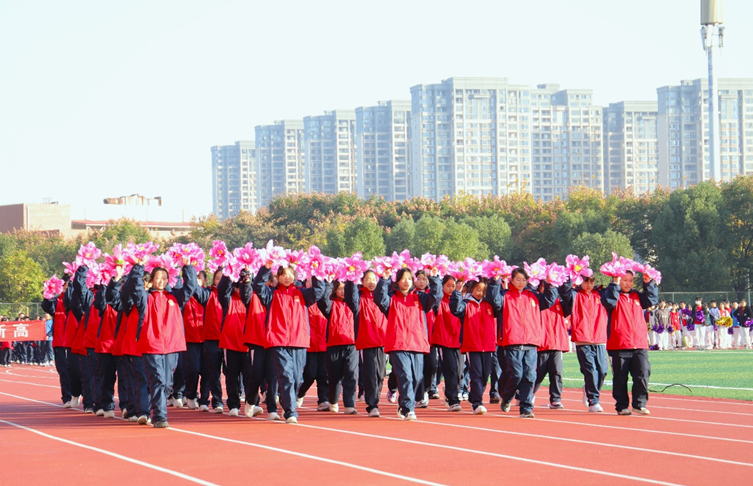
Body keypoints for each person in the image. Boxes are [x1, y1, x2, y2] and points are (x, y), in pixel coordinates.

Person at [252, 262, 325, 424]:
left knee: (297, 378)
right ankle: (291, 411)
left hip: (299, 341)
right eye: (283, 274)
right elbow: (257, 285)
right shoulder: (271, 294)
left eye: (290, 274)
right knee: (286, 376)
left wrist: (316, 270)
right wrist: (266, 268)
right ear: (277, 277)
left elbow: (319, 291)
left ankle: (288, 404)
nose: (287, 277)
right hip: (278, 341)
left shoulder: (303, 294)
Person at [129, 258, 196, 428]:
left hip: (172, 346)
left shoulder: (174, 297)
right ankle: (160, 417)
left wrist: (187, 267)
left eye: (165, 278)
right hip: (151, 346)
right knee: (158, 379)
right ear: (151, 280)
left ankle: (157, 409)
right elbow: (135, 287)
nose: (161, 281)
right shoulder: (145, 298)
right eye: (158, 277)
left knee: (166, 383)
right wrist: (138, 267)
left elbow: (190, 287)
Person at [486, 268, 557, 419]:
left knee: (530, 376)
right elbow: (494, 302)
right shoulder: (505, 296)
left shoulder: (533, 296)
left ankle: (526, 408)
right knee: (516, 375)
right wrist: (494, 281)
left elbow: (550, 300)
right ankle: (506, 396)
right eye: (518, 279)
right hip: (512, 342)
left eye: (524, 280)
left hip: (531, 342)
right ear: (511, 280)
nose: (521, 282)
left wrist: (550, 284)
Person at [374, 267, 441, 421]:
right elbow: (378, 298)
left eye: (409, 278)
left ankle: (403, 404)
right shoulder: (391, 299)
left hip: (417, 343)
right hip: (397, 344)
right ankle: (408, 409)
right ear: (397, 280)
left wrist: (435, 279)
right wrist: (384, 280)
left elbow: (435, 297)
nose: (406, 281)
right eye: (403, 278)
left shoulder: (420, 298)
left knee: (417, 378)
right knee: (406, 376)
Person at [601, 270, 659, 415]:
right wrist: (614, 285)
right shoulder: (611, 295)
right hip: (619, 343)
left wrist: (648, 283)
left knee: (643, 372)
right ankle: (621, 406)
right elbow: (608, 303)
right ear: (618, 280)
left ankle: (639, 404)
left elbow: (651, 300)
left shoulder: (637, 296)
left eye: (631, 280)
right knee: (620, 377)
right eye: (624, 280)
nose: (628, 283)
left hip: (639, 343)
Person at [559, 276, 609, 412]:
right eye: (586, 281)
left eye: (591, 282)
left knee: (603, 371)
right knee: (590, 370)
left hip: (600, 338)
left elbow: (614, 294)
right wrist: (572, 276)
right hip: (582, 339)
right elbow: (564, 290)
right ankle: (594, 401)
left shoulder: (600, 294)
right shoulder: (575, 295)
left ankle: (588, 388)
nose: (589, 284)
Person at [449, 278, 496, 415]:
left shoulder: (489, 304)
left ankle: (473, 397)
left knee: (485, 374)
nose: (480, 293)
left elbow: (499, 305)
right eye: (478, 290)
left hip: (487, 345)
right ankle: (477, 402)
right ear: (471, 290)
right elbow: (456, 310)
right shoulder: (465, 304)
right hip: (472, 344)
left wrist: (497, 285)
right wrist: (457, 292)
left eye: (483, 290)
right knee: (476, 374)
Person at [345, 270, 387, 418]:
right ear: (362, 282)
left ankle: (374, 399)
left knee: (381, 374)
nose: (371, 282)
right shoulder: (359, 299)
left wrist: (385, 280)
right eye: (367, 279)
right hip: (367, 341)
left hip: (383, 341)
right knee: (370, 375)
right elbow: (351, 297)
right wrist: (351, 279)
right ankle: (372, 405)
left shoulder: (382, 299)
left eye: (374, 279)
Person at [318, 279, 358, 414]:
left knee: (351, 374)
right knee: (334, 376)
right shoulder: (331, 305)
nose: (342, 291)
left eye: (345, 288)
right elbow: (323, 302)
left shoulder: (352, 304)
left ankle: (349, 405)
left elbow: (353, 295)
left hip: (351, 344)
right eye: (340, 288)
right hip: (334, 344)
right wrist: (328, 284)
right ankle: (333, 401)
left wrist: (352, 281)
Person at [194, 270, 225, 412]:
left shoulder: (232, 296)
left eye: (224, 278)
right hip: (212, 339)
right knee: (211, 372)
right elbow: (195, 290)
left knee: (230, 373)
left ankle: (232, 400)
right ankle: (212, 400)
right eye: (218, 278)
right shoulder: (208, 294)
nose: (220, 281)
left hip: (228, 340)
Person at [431, 275, 464, 412]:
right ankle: (453, 400)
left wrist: (458, 292)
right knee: (450, 371)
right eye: (448, 286)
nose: (451, 289)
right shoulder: (439, 301)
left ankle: (452, 393)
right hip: (445, 341)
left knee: (459, 372)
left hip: (459, 341)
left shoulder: (459, 300)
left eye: (453, 285)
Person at [297, 278, 330, 412]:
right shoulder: (304, 297)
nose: (312, 283)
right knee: (310, 373)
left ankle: (323, 400)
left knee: (324, 374)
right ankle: (300, 393)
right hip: (309, 343)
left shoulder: (325, 298)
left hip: (324, 341)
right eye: (309, 281)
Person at [533, 290, 569, 409]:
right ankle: (529, 393)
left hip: (557, 344)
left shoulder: (560, 303)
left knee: (557, 372)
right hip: (542, 344)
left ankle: (556, 399)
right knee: (538, 373)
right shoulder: (537, 301)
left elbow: (571, 300)